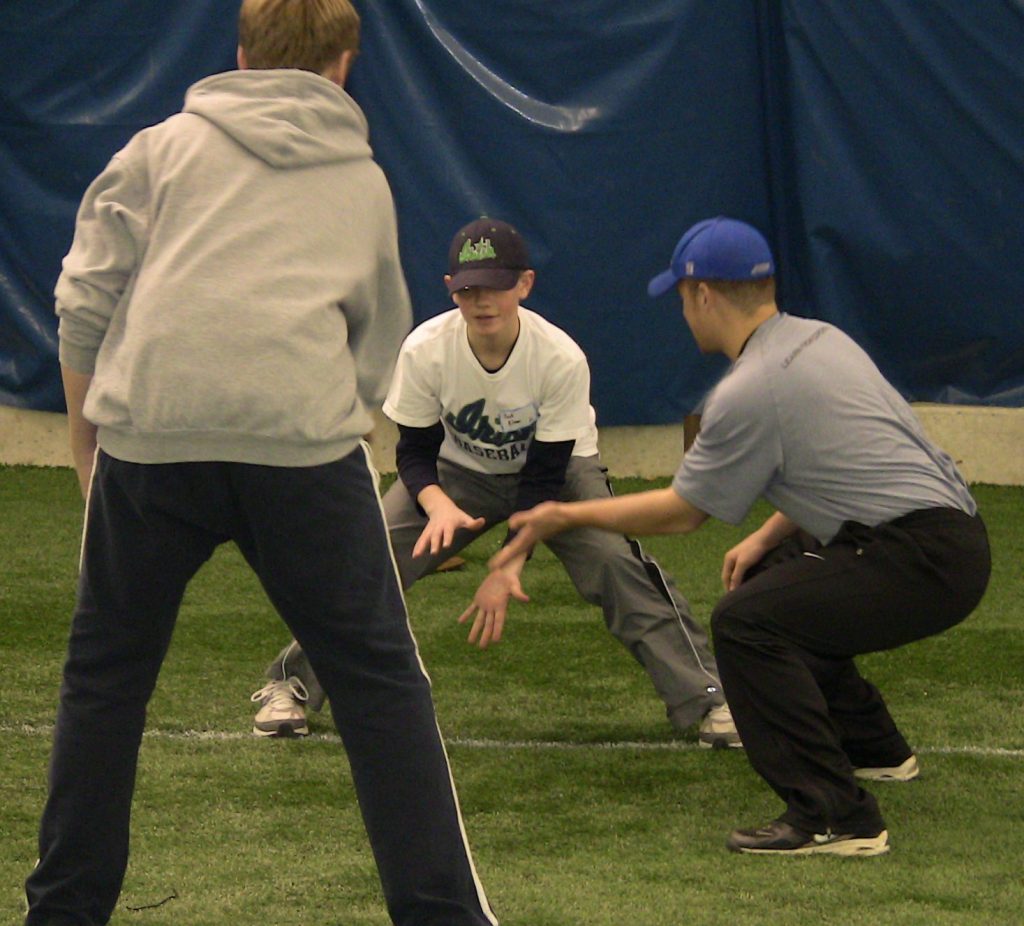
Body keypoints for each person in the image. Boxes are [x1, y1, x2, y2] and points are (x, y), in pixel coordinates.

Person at [25, 3, 498, 924]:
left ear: (240, 58)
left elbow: (82, 298)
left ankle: (63, 912)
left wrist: (90, 447)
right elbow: (378, 350)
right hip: (300, 454)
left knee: (106, 677)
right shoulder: (361, 180)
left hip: (151, 442)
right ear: (344, 66)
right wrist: (314, 405)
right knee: (378, 683)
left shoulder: (158, 149)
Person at [490, 216, 990, 856]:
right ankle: (874, 749)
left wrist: (564, 515)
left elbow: (682, 512)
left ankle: (837, 817)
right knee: (768, 576)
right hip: (951, 538)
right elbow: (851, 459)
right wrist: (764, 538)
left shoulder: (750, 388)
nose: (683, 311)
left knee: (747, 622)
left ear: (701, 295)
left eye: (680, 297)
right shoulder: (819, 339)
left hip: (918, 559)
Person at [251, 216, 739, 748]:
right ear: (450, 291)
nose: (484, 302)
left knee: (615, 564)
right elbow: (413, 452)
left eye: (497, 287)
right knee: (369, 557)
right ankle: (290, 683)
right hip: (457, 474)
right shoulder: (425, 349)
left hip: (561, 476)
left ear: (524, 285)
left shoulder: (559, 358)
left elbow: (545, 478)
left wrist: (507, 563)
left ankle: (708, 696)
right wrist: (436, 505)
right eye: (469, 289)